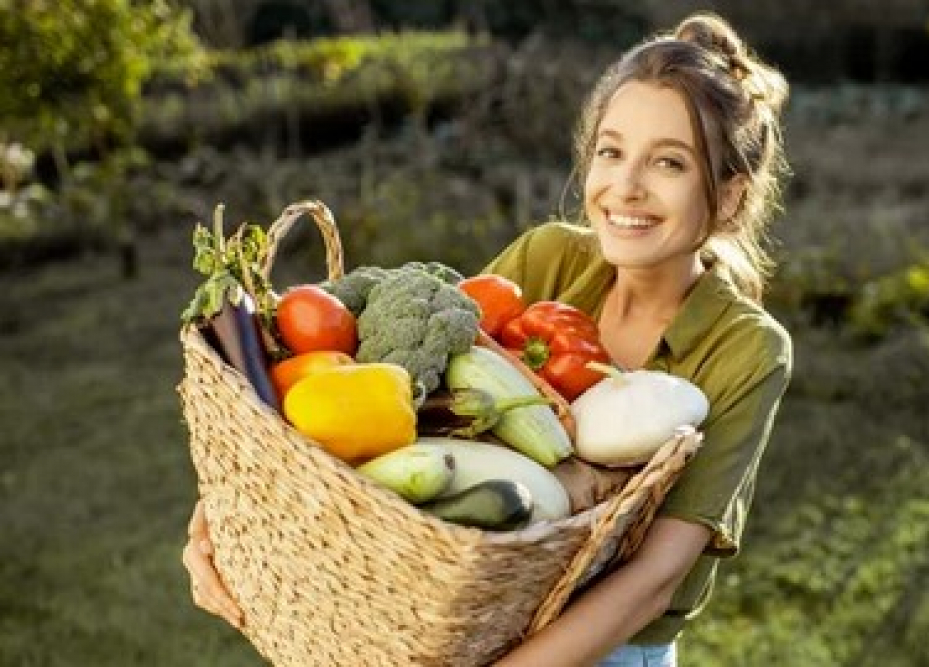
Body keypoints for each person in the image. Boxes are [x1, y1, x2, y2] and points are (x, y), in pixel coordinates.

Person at [183, 11, 793, 666]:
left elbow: (651, 584)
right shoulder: (549, 258)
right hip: (464, 618)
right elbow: (387, 414)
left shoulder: (747, 348)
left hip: (605, 649)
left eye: (668, 162)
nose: (626, 186)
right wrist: (221, 521)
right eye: (611, 152)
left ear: (728, 198)